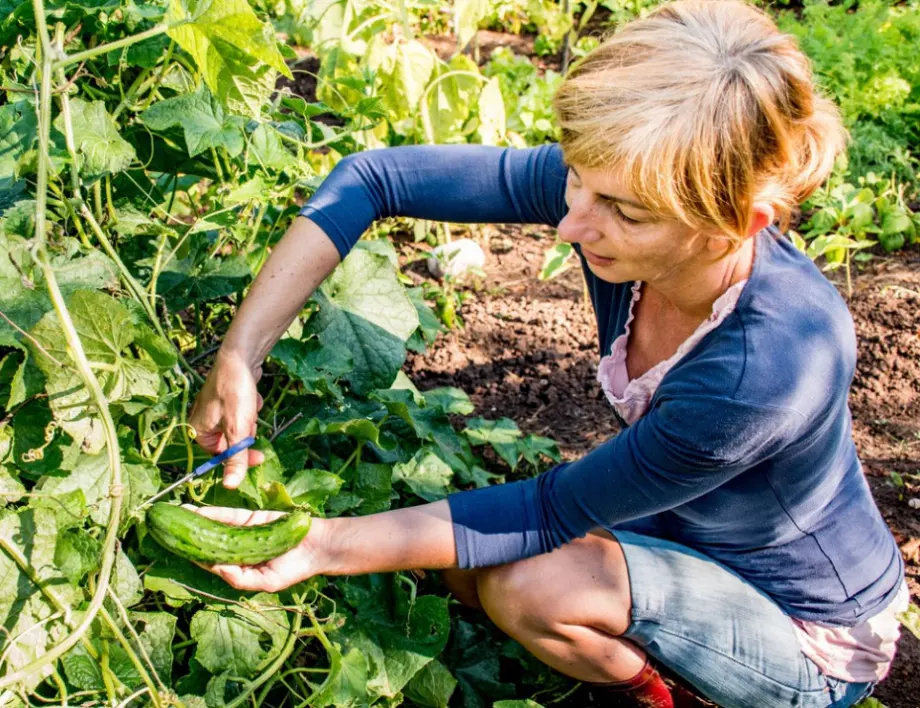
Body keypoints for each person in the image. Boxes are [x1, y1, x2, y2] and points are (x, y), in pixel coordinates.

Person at [187, 1, 909, 706]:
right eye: (576, 180)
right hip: (678, 525)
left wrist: (319, 546)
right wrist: (240, 356)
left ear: (732, 224)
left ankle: (661, 695)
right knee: (468, 572)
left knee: (524, 586)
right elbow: (375, 178)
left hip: (804, 622)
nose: (571, 225)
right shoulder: (626, 187)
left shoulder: (764, 371)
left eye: (621, 212)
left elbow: (548, 509)